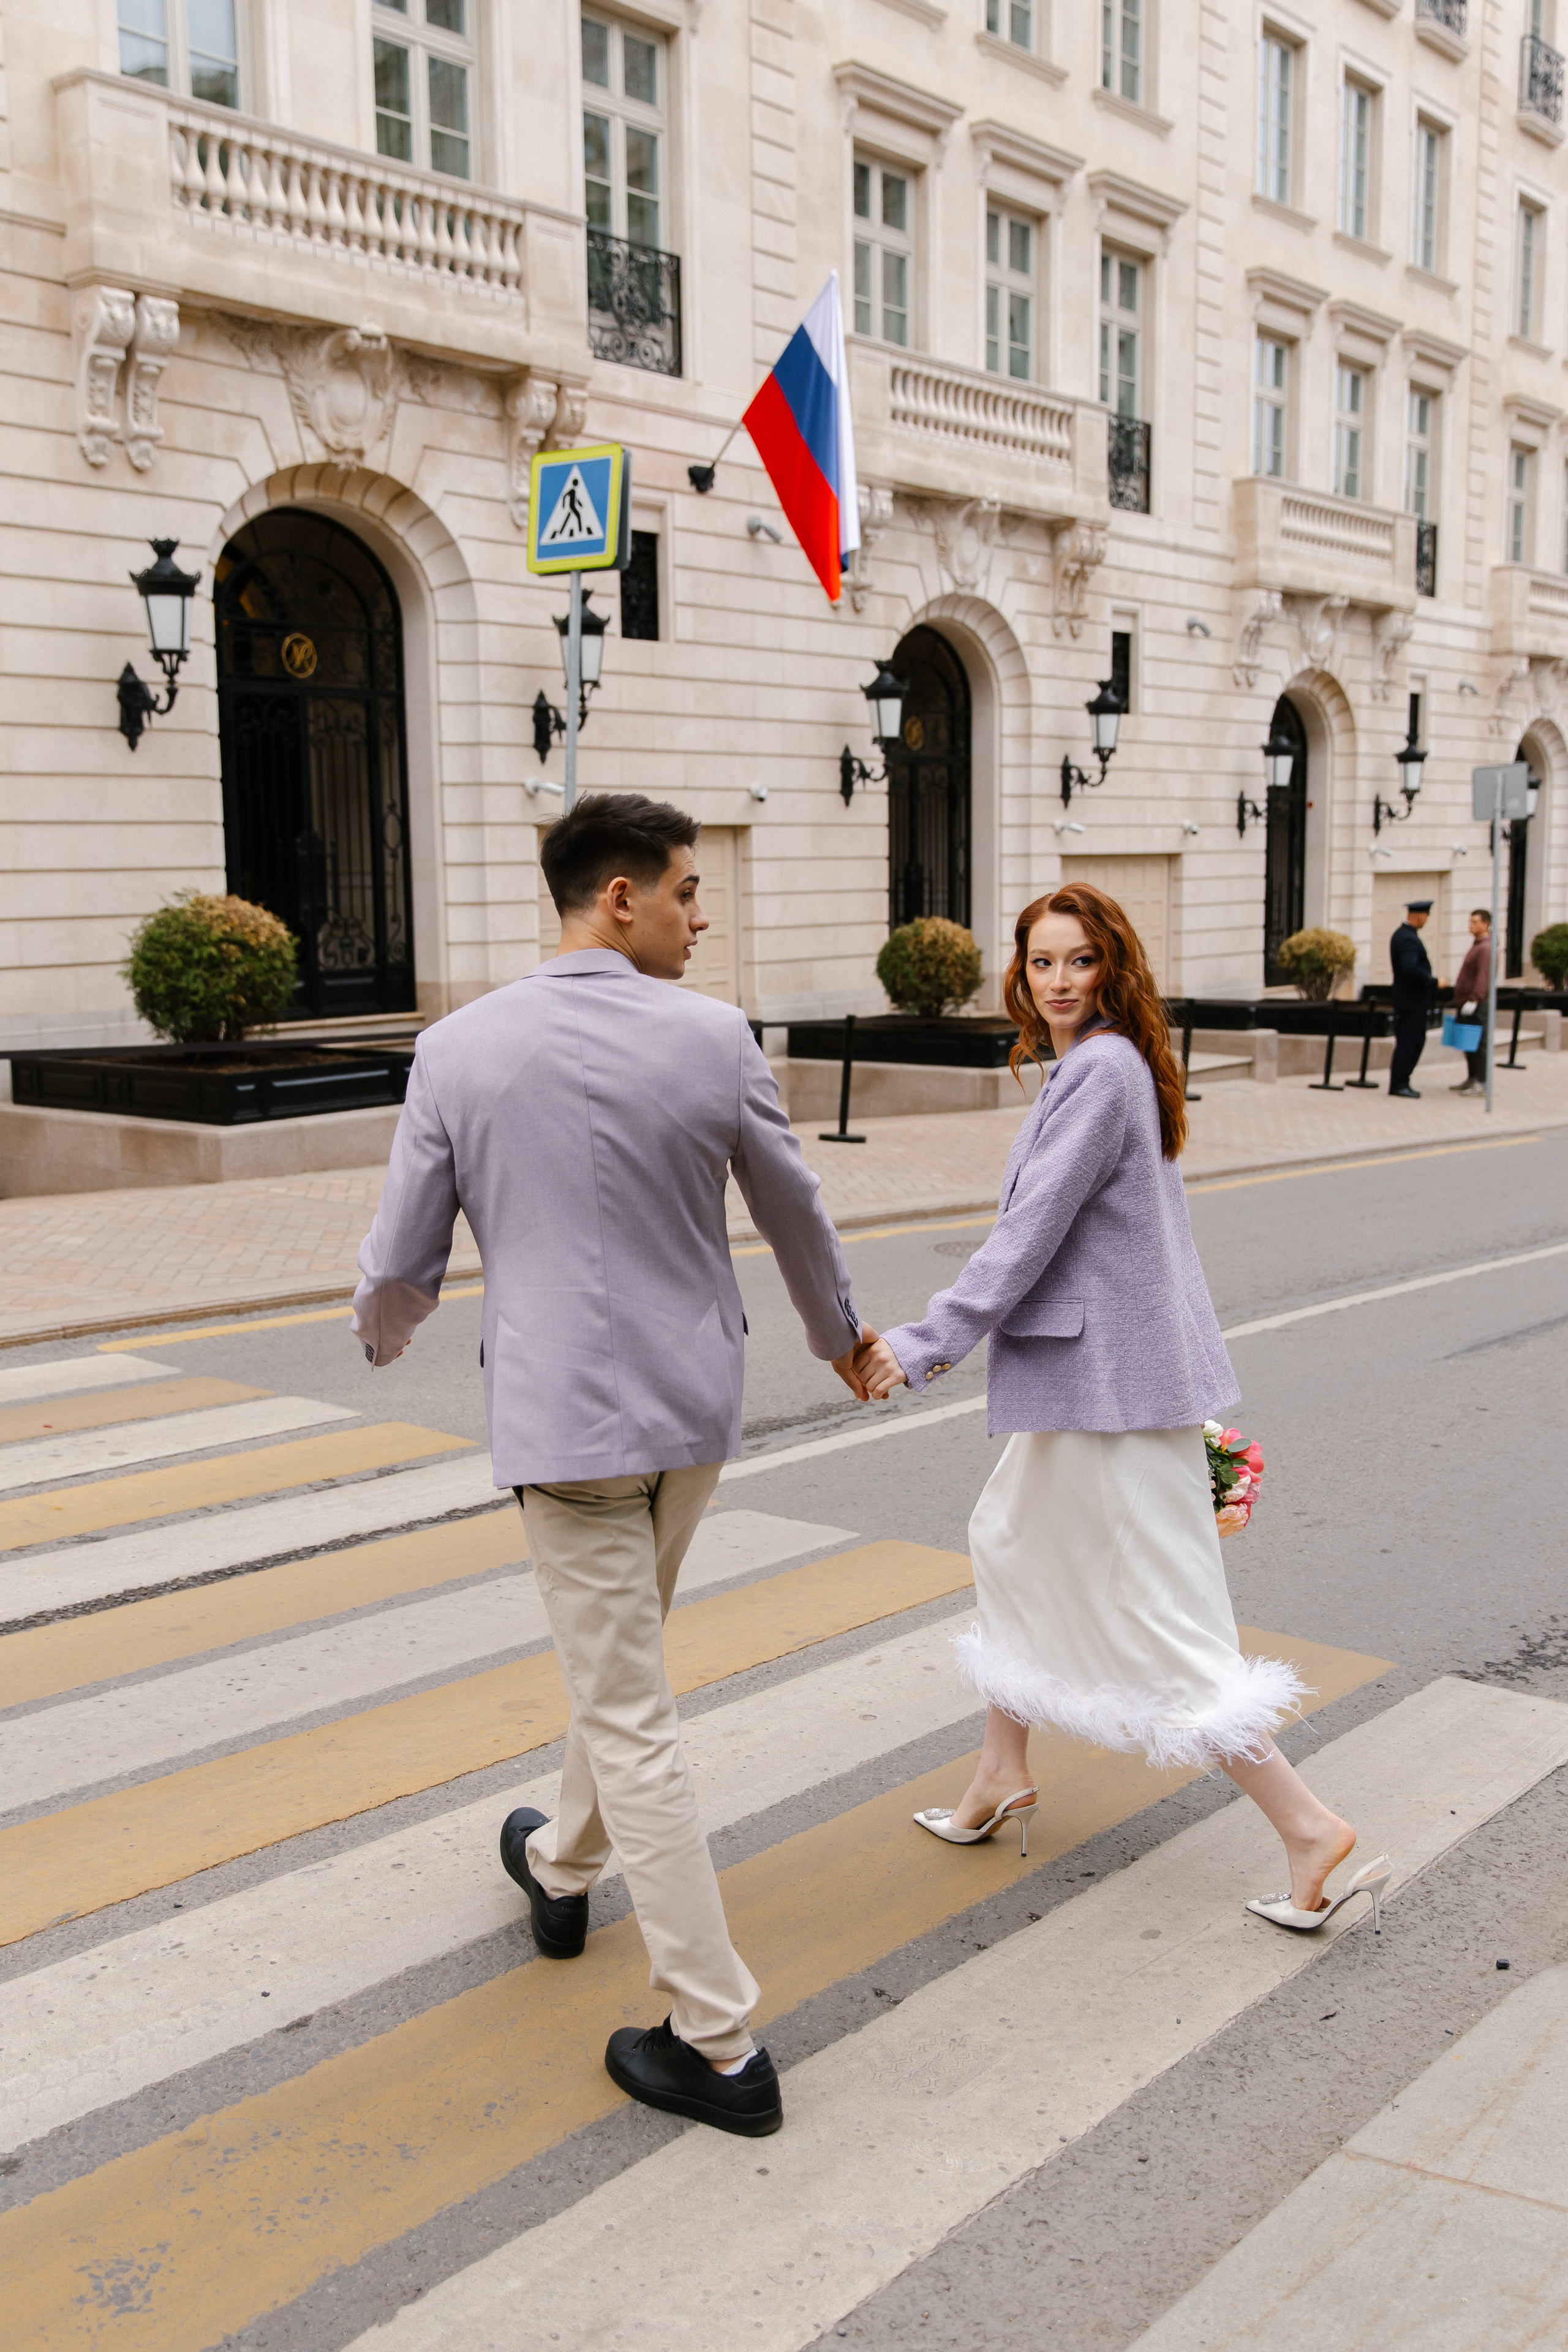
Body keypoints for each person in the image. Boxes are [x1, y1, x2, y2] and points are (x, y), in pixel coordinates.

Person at [351, 792, 872, 2139]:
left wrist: (380, 1332)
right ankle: (562, 1865)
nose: (705, 918)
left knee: (628, 1705)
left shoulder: (457, 1049)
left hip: (566, 1428)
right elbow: (791, 1205)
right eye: (690, 893)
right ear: (619, 898)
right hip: (687, 1414)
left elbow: (403, 1260)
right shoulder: (710, 1038)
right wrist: (836, 1340)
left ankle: (714, 2037)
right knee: (623, 1669)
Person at [852, 883, 1389, 1935]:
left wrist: (923, 1344)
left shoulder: (1100, 1074)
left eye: (1078, 962)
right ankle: (999, 1772)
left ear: (1115, 968)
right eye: (1042, 962)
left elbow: (1030, 1236)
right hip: (1096, 1381)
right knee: (1009, 1543)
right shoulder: (1100, 1065)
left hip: (1114, 1389)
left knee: (1162, 1614)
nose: (1057, 982)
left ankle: (1308, 1824)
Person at [1388, 899, 1439, 1098]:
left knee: (1410, 1042)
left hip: (1408, 1000)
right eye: (1426, 917)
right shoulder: (1408, 938)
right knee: (1411, 1043)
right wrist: (1433, 981)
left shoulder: (1402, 935)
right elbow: (1410, 969)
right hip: (1412, 1001)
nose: (1426, 920)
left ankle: (1401, 1082)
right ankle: (1400, 1084)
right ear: (1420, 916)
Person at [1450, 908, 1492, 1095]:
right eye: (1470, 922)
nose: (1471, 925)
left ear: (1486, 924)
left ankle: (1482, 1082)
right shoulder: (1477, 945)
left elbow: (1484, 976)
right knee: (1468, 1042)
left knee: (1479, 1043)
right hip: (1466, 1002)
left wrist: (1475, 998)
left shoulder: (1486, 948)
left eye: (1475, 922)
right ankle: (1472, 1077)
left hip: (1476, 1004)